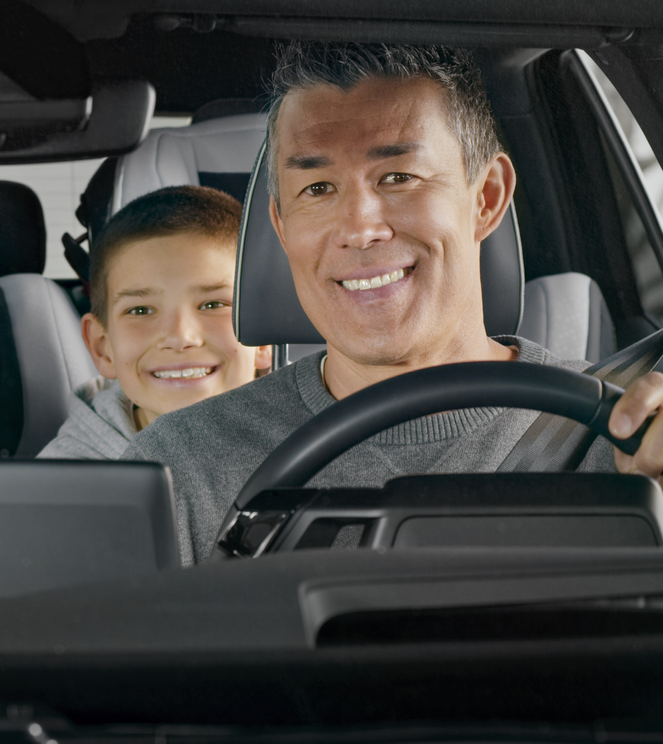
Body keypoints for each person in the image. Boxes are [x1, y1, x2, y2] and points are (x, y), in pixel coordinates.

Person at [124, 42, 663, 564]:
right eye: (317, 188)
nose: (359, 229)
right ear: (282, 228)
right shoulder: (181, 468)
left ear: (486, 198)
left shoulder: (627, 438)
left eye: (399, 177)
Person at [39, 186, 272, 459]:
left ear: (264, 337)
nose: (179, 337)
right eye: (140, 310)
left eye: (212, 305)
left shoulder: (312, 446)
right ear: (103, 348)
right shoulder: (63, 478)